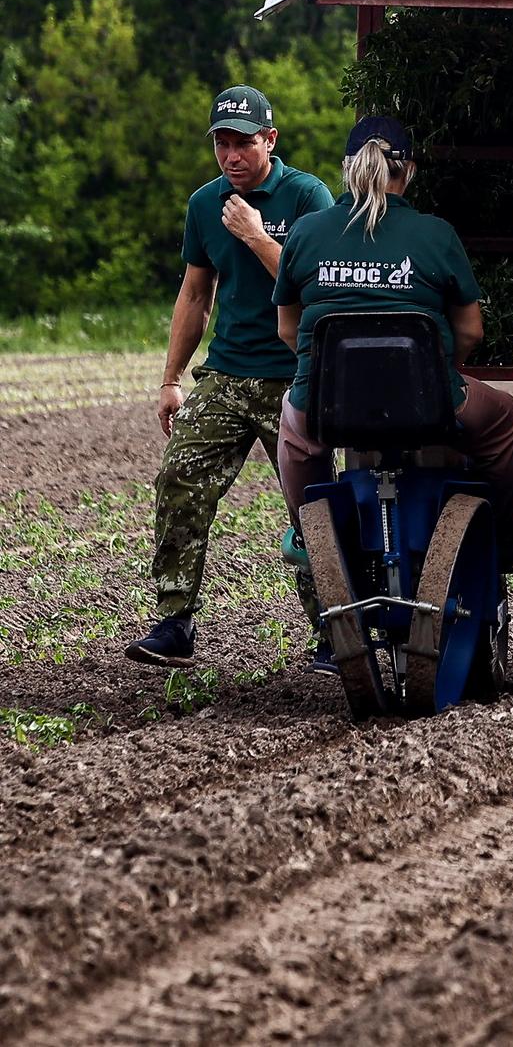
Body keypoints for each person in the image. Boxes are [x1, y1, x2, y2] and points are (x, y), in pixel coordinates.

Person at [273, 115, 513, 569]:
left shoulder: (306, 232)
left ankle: (311, 532)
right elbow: (471, 330)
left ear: (347, 168)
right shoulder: (435, 234)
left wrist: (332, 376)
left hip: (327, 400)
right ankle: (503, 536)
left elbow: (288, 329)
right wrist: (439, 371)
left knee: (297, 426)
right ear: (410, 171)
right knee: (501, 416)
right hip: (426, 398)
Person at [127, 85, 337, 668]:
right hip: (225, 373)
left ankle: (332, 627)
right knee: (179, 479)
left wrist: (253, 233)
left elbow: (315, 282)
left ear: (270, 139)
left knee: (313, 503)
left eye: (243, 143)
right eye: (222, 144)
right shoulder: (204, 204)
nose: (231, 156)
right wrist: (170, 378)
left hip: (293, 374)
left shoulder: (308, 196)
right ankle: (174, 622)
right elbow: (195, 293)